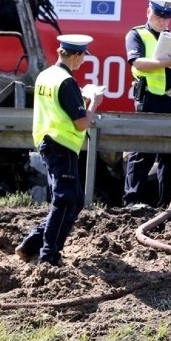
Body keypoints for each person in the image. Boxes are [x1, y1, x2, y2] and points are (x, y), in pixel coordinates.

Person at [16, 34, 103, 267]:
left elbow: (60, 109)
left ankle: (31, 245)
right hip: (61, 144)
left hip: (49, 142)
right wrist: (94, 102)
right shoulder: (66, 82)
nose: (84, 60)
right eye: (83, 55)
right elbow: (82, 123)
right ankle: (48, 257)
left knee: (73, 201)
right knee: (66, 200)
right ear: (75, 55)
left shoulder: (46, 76)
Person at [123, 0, 171, 208]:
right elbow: (137, 62)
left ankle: (168, 205)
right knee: (142, 152)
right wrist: (166, 62)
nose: (162, 22)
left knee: (170, 156)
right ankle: (133, 201)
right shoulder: (137, 34)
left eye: (166, 18)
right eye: (157, 16)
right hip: (149, 100)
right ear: (148, 13)